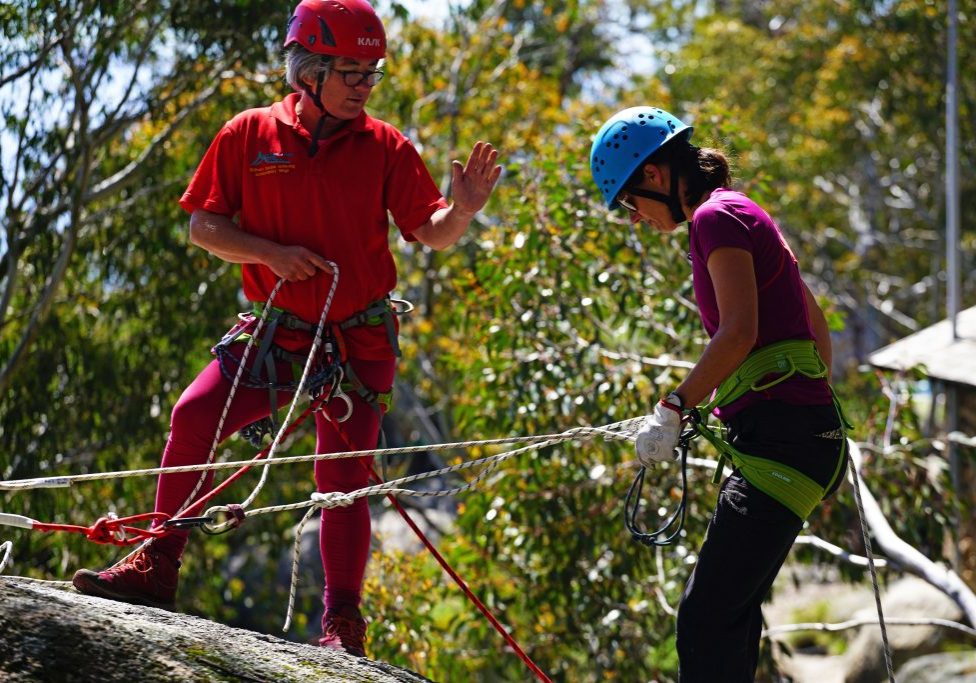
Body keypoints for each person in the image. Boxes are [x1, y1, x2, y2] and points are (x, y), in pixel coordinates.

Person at [72, 0, 501, 658]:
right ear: (307, 72)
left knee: (344, 479)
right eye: (349, 71)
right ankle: (158, 564)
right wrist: (269, 254)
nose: (363, 84)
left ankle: (343, 623)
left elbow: (430, 232)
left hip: (358, 338)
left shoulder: (384, 146)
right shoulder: (250, 134)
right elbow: (203, 227)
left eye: (370, 72)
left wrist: (463, 211)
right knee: (194, 415)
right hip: (278, 330)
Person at [590, 106, 846, 681]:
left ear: (654, 175)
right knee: (727, 612)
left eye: (631, 202)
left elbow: (739, 332)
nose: (634, 219)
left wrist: (674, 407)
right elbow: (813, 322)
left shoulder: (714, 218)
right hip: (792, 436)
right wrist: (808, 411)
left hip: (783, 440)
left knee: (705, 617)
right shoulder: (741, 211)